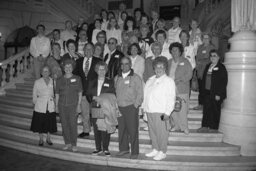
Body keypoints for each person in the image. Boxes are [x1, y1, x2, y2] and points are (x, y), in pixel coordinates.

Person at [142, 56, 176, 161]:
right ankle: (155, 149)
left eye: (161, 67)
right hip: (149, 110)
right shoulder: (150, 80)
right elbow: (145, 96)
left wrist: (167, 112)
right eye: (157, 66)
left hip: (161, 111)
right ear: (154, 68)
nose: (159, 69)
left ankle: (162, 151)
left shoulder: (168, 81)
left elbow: (171, 97)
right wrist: (144, 110)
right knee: (152, 132)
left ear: (165, 68)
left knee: (162, 133)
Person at [115, 56, 143, 159]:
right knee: (121, 130)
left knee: (133, 130)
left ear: (130, 65)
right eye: (122, 64)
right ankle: (124, 149)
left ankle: (135, 151)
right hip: (120, 107)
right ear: (120, 66)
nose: (124, 66)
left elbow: (140, 94)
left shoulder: (136, 77)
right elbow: (115, 93)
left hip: (131, 107)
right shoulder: (117, 78)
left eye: (127, 63)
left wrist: (135, 105)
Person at [86, 61, 115, 156]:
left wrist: (101, 98)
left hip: (105, 108)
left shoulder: (110, 81)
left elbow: (113, 95)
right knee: (96, 128)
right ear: (96, 70)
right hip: (95, 108)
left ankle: (106, 148)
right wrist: (93, 98)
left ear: (106, 70)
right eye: (99, 69)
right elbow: (88, 94)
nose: (101, 71)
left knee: (106, 128)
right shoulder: (92, 81)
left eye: (103, 69)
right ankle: (98, 148)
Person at [73, 43, 102, 138]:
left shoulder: (98, 61)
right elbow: (76, 76)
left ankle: (99, 130)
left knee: (96, 112)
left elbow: (101, 76)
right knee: (85, 112)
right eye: (86, 49)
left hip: (95, 92)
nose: (88, 51)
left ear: (93, 51)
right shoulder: (78, 61)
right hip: (83, 91)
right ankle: (86, 130)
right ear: (84, 50)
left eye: (90, 49)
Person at [197, 49, 228, 133]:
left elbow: (223, 82)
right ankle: (204, 126)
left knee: (215, 110)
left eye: (214, 56)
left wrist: (219, 94)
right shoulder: (208, 66)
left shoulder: (221, 67)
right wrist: (202, 92)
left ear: (219, 57)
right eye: (211, 56)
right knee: (206, 110)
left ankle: (214, 127)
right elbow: (204, 79)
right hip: (207, 92)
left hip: (216, 93)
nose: (212, 57)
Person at [55, 59, 83, 152]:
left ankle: (74, 144)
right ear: (63, 68)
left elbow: (80, 93)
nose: (68, 68)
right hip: (62, 105)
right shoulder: (59, 80)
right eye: (66, 67)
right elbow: (57, 94)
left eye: (70, 67)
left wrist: (79, 105)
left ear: (72, 68)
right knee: (64, 125)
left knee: (73, 125)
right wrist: (56, 106)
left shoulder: (77, 78)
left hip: (73, 105)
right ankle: (67, 143)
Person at [168, 42, 193, 135]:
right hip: (170, 89)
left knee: (182, 109)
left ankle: (184, 127)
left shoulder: (185, 61)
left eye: (176, 50)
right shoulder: (169, 62)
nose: (174, 52)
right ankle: (176, 125)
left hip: (181, 88)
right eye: (173, 50)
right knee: (172, 109)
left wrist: (180, 80)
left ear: (180, 52)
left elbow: (189, 74)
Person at [31, 66, 57, 146]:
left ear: (49, 72)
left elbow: (55, 93)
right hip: (40, 105)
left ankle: (48, 138)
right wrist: (35, 104)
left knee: (50, 122)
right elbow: (34, 94)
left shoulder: (53, 81)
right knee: (40, 123)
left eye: (47, 71)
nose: (45, 72)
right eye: (44, 71)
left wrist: (55, 104)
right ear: (41, 73)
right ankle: (41, 139)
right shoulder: (37, 82)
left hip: (50, 104)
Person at [193, 33, 215, 110]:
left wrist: (201, 61)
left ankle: (207, 105)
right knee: (201, 89)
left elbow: (212, 59)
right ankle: (201, 104)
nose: (205, 39)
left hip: (208, 71)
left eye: (207, 38)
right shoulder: (200, 47)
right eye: (204, 38)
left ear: (210, 39)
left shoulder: (212, 48)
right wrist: (197, 64)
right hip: (200, 71)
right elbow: (197, 58)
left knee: (207, 89)